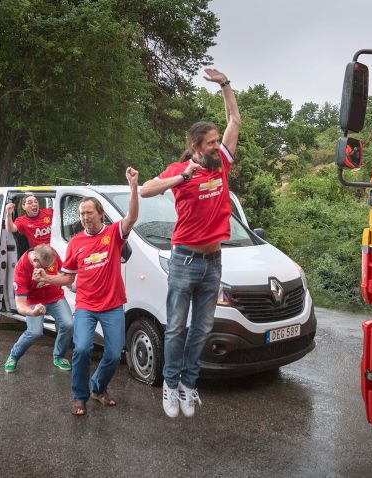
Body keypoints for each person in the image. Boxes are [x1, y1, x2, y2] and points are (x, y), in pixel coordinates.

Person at [140, 67, 241, 418]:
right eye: (211, 143)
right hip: (184, 260)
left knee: (202, 328)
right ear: (196, 147)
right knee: (176, 327)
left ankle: (188, 384)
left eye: (217, 141)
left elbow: (234, 121)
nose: (218, 146)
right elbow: (144, 189)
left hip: (214, 262)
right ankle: (169, 384)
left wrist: (226, 84)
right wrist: (182, 176)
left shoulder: (220, 165)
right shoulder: (179, 170)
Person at [36, 167, 139, 416]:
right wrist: (48, 278)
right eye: (81, 214)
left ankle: (98, 388)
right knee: (81, 349)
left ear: (100, 214)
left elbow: (132, 218)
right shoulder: (76, 243)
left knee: (114, 354)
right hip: (86, 306)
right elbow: (69, 276)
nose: (84, 217)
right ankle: (80, 396)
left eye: (89, 212)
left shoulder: (113, 233)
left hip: (113, 305)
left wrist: (133, 186)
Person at [2, 244, 73, 373]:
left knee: (68, 325)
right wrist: (32, 312)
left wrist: (71, 286)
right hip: (34, 301)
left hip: (56, 297)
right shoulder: (21, 269)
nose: (47, 270)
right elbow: (20, 305)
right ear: (35, 260)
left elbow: (63, 273)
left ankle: (59, 356)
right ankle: (13, 356)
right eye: (45, 267)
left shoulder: (50, 253)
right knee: (35, 332)